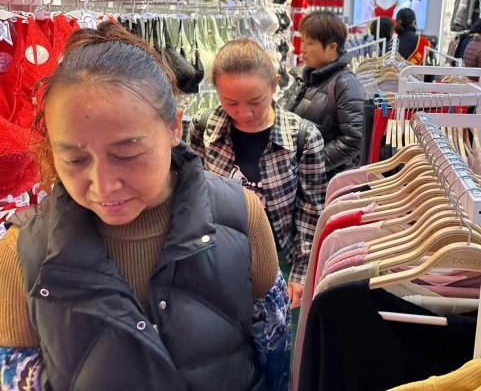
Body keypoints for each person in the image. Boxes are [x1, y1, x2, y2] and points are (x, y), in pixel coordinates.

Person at [0, 22, 281, 390]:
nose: (103, 185)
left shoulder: (240, 216)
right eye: (75, 160)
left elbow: (273, 349)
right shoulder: (21, 252)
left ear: (175, 126)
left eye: (128, 154)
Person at [190, 39, 326, 317]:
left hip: (280, 261)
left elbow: (311, 211)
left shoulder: (303, 137)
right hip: (217, 258)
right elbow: (193, 195)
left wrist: (301, 271)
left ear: (275, 84)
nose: (244, 113)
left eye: (255, 101)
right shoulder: (204, 128)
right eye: (230, 102)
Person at [280, 11, 364, 178]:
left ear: (332, 48)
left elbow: (354, 140)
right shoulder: (304, 76)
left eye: (309, 43)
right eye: (302, 41)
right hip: (294, 175)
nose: (302, 49)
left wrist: (310, 164)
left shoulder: (346, 84)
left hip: (322, 182)